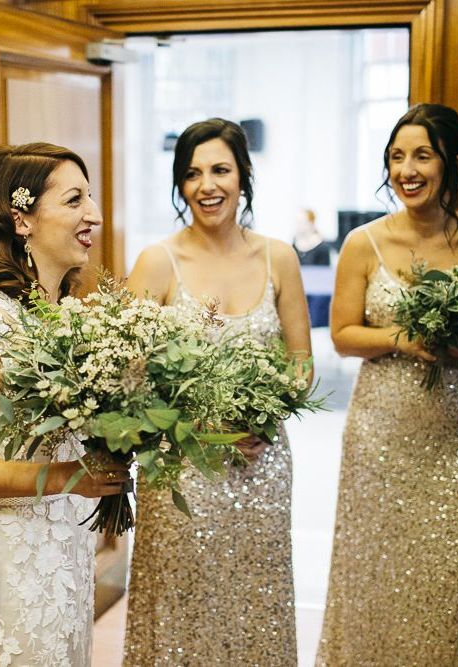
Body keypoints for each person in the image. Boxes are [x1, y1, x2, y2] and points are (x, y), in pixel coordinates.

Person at [316, 104, 458, 666]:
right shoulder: (364, 244)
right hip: (380, 435)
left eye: (422, 156)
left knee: (452, 580)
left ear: (453, 161)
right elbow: (342, 335)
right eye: (397, 157)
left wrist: (455, 343)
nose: (407, 170)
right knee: (373, 573)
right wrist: (405, 338)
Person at [0, 142, 130, 666]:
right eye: (74, 200)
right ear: (21, 219)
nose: (95, 214)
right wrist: (68, 477)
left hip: (64, 559)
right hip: (8, 571)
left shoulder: (63, 315)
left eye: (90, 198)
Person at [123, 118, 312, 665]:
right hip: (184, 471)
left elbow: (300, 361)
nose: (207, 185)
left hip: (262, 465)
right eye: (192, 173)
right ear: (180, 186)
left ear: (244, 174)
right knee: (183, 605)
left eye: (220, 170)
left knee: (257, 600)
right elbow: (129, 377)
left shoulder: (280, 258)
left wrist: (265, 412)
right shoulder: (158, 261)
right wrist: (204, 427)